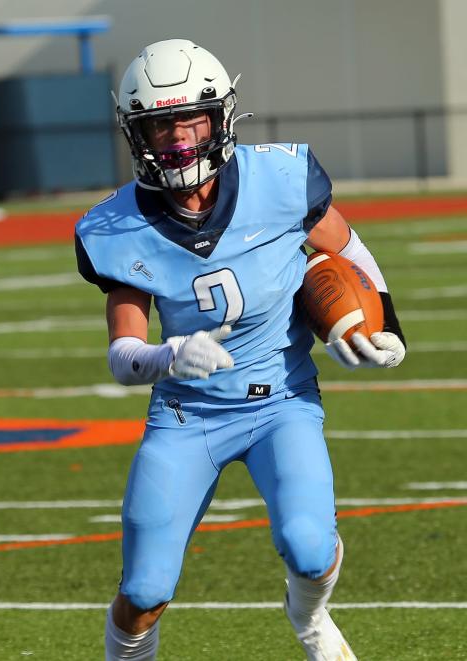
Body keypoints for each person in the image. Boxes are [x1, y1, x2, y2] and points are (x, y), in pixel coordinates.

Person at [75, 40, 407, 660]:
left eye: (189, 120)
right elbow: (123, 353)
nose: (176, 140)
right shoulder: (115, 227)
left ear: (221, 117)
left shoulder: (277, 179)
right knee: (146, 588)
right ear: (134, 132)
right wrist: (167, 355)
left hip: (281, 401)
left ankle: (309, 620)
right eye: (158, 125)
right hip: (186, 416)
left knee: (311, 549)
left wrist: (382, 324)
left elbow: (347, 250)